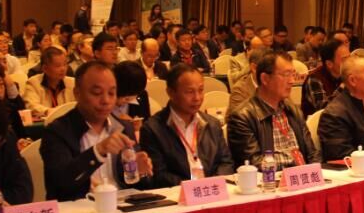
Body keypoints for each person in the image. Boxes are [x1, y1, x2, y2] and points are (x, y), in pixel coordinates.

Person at [40, 61, 153, 199]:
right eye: (97, 93)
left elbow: (136, 185)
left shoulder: (124, 127)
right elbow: (61, 183)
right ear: (77, 93)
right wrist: (98, 151)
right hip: (79, 207)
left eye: (111, 93)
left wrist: (139, 172)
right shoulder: (57, 131)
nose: (106, 100)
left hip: (121, 204)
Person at [140, 63, 234, 187]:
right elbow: (158, 174)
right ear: (171, 93)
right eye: (190, 92)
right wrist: (191, 186)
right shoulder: (153, 129)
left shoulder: (212, 124)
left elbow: (226, 162)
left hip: (212, 190)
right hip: (177, 193)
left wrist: (212, 184)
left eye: (200, 90)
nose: (197, 98)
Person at [227, 51, 319, 168]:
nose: (292, 81)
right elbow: (254, 164)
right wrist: (291, 170)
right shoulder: (242, 117)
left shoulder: (293, 110)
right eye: (286, 75)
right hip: (273, 178)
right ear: (265, 79)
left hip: (303, 175)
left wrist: (315, 171)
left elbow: (312, 154)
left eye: (293, 74)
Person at [302, 38, 349, 118]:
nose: (350, 62)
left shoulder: (344, 75)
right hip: (320, 124)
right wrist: (344, 86)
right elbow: (324, 110)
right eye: (345, 59)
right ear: (329, 64)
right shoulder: (314, 79)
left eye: (350, 57)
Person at [24, 46, 76, 117]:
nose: (63, 69)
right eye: (58, 66)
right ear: (45, 68)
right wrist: (49, 111)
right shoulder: (33, 83)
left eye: (65, 64)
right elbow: (31, 106)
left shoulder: (72, 83)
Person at [227, 47, 267, 117]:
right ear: (254, 68)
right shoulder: (240, 90)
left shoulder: (277, 85)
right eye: (270, 70)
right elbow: (235, 120)